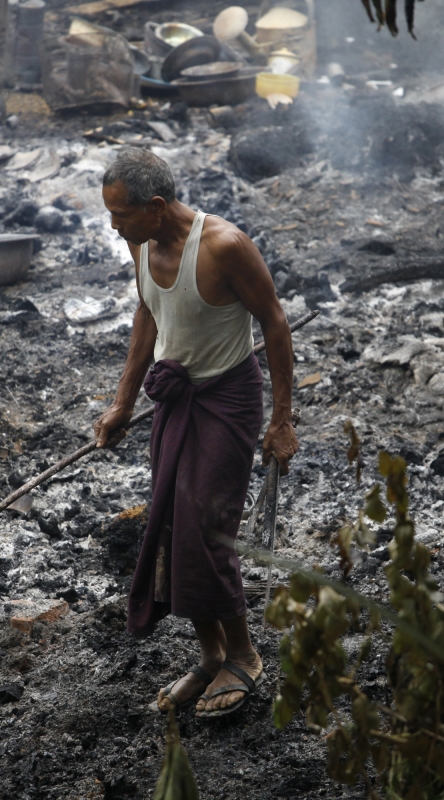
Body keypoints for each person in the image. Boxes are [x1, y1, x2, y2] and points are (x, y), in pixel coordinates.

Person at [93, 147, 298, 717]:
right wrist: (121, 403)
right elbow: (148, 314)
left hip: (227, 401)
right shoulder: (142, 245)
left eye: (121, 216)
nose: (113, 227)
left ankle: (246, 657)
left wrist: (281, 420)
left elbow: (275, 323)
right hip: (175, 401)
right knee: (173, 526)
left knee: (208, 529)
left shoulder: (224, 246)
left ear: (156, 207)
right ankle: (211, 655)